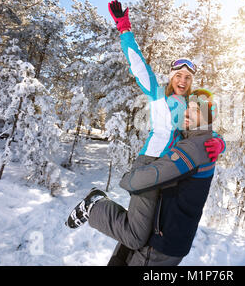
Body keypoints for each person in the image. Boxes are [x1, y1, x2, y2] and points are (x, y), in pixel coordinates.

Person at [65, 0, 225, 265]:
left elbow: (203, 131)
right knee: (137, 235)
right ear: (172, 76)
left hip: (173, 173)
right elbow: (137, 64)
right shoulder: (156, 93)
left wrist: (220, 143)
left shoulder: (191, 105)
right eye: (179, 75)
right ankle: (94, 205)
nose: (183, 81)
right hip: (151, 164)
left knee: (145, 235)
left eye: (188, 78)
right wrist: (125, 30)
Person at [67, 89, 219, 265]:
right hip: (157, 236)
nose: (187, 113)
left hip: (164, 238)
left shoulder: (195, 147)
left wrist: (127, 180)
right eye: (188, 108)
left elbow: (153, 176)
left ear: (208, 117)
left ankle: (95, 206)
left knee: (127, 246)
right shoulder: (193, 140)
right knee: (126, 248)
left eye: (196, 110)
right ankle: (96, 207)